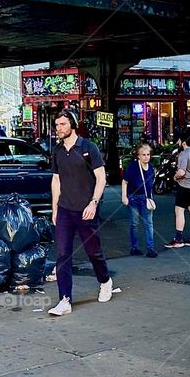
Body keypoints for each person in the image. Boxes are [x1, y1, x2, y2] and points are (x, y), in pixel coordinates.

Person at [47, 109, 113, 316]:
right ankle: (65, 299)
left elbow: (101, 178)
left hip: (86, 209)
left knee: (93, 251)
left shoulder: (88, 147)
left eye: (63, 124)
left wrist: (93, 203)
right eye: (57, 125)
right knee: (62, 254)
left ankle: (105, 281)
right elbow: (56, 180)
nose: (59, 129)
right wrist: (55, 208)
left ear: (73, 125)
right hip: (65, 209)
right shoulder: (57, 151)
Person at [164, 129, 190, 248]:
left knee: (179, 211)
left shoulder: (184, 154)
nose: (178, 142)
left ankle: (178, 239)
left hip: (185, 186)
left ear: (183, 142)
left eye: (179, 140)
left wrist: (175, 177)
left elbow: (181, 172)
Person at [121, 143, 158, 258]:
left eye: (148, 154)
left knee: (149, 224)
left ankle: (150, 249)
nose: (146, 157)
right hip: (133, 197)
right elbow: (125, 182)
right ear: (138, 156)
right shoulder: (133, 166)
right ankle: (134, 248)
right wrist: (124, 196)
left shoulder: (151, 167)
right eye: (143, 155)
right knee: (134, 224)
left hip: (146, 198)